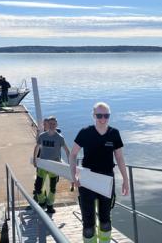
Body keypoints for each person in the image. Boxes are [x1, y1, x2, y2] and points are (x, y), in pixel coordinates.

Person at [70, 102, 129, 243]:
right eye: (99, 116)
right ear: (93, 115)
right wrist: (74, 176)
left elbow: (119, 158)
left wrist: (126, 180)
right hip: (87, 179)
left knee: (105, 220)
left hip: (106, 179)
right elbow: (73, 155)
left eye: (106, 116)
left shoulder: (114, 133)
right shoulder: (85, 132)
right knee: (88, 223)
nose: (103, 119)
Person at [33, 116, 70, 214]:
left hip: (54, 167)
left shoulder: (59, 138)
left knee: (53, 188)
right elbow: (37, 147)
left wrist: (70, 165)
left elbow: (67, 151)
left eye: (54, 124)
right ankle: (42, 201)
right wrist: (34, 159)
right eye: (50, 124)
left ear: (56, 125)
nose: (52, 125)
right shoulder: (42, 136)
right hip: (43, 165)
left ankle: (50, 205)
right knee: (38, 187)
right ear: (47, 125)